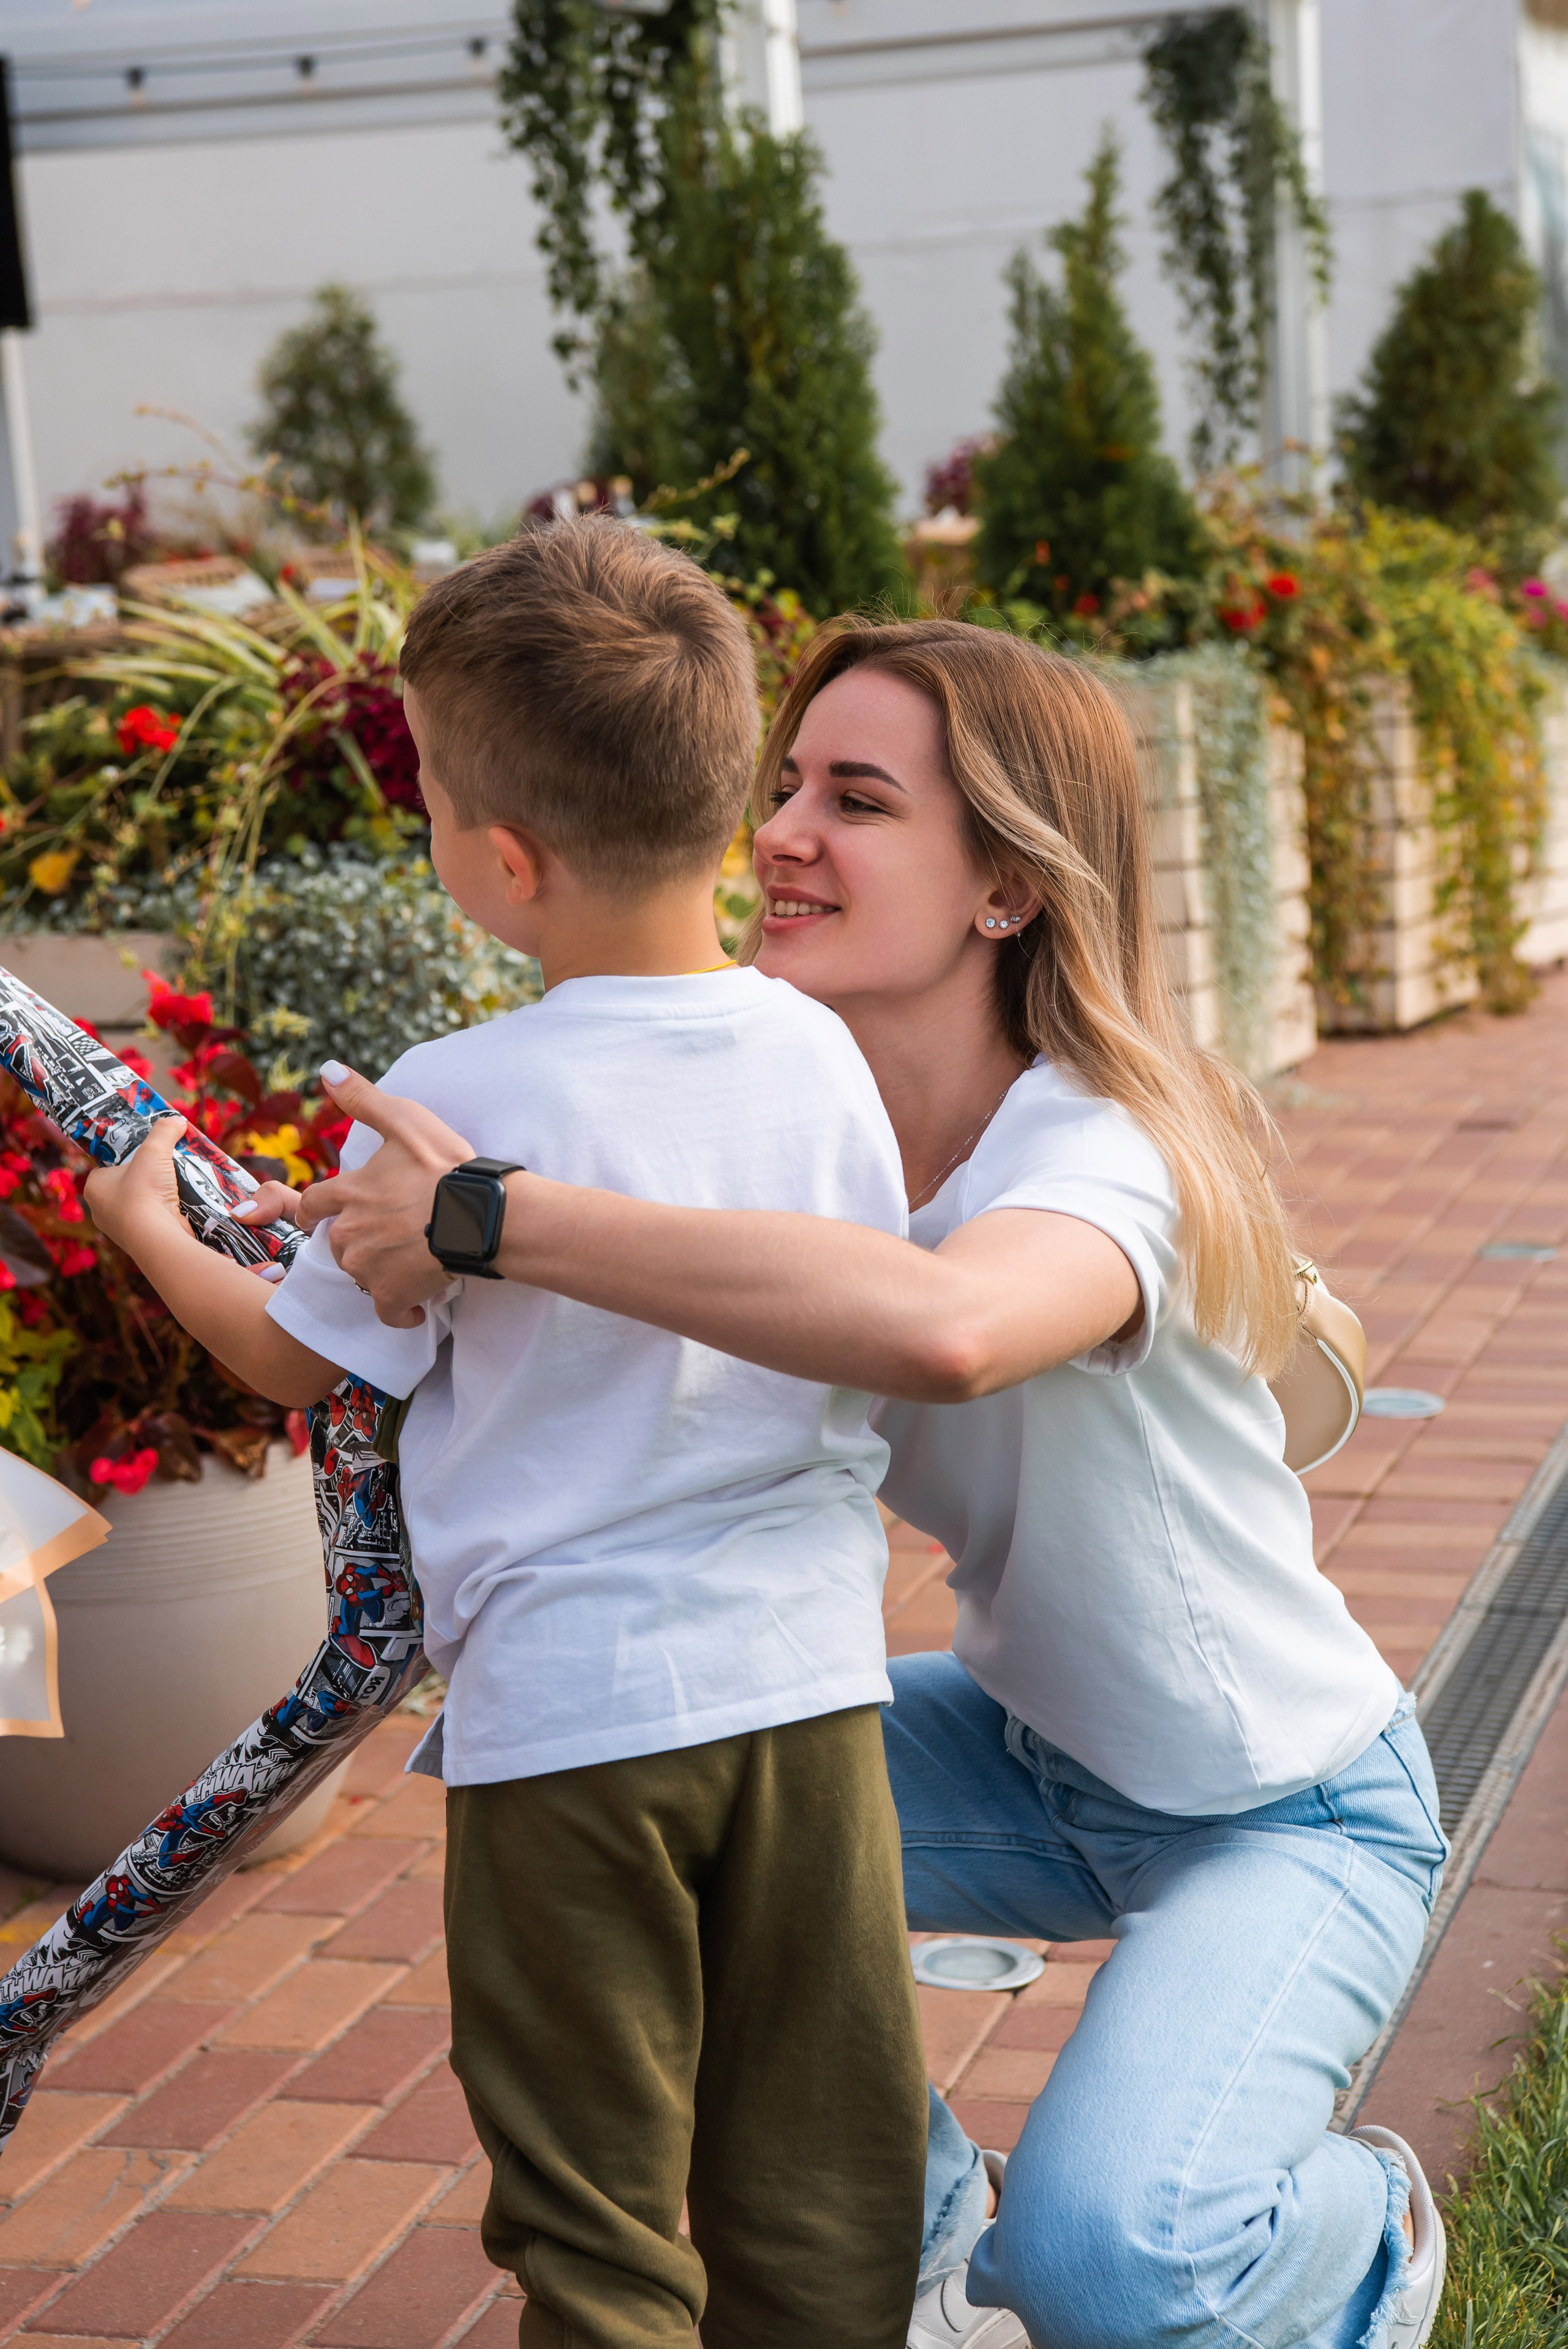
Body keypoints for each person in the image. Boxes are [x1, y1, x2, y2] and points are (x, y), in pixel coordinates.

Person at [299, 617, 1452, 2349]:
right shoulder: (793, 1112)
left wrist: (489, 1216)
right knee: (630, 1786)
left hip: (1281, 1804)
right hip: (1021, 1752)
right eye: (782, 786)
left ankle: (1364, 2228)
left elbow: (953, 1331)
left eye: (857, 800)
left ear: (1008, 887)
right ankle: (916, 2229)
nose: (779, 834)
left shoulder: (1103, 1142)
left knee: (1106, 2269)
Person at [81, 522, 930, 2349]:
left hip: (576, 1722)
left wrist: (151, 1224)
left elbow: (292, 1364)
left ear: (505, 858)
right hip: (809, 1690)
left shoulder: (458, 1093)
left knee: (596, 2214)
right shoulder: (819, 1053)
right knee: (824, 2179)